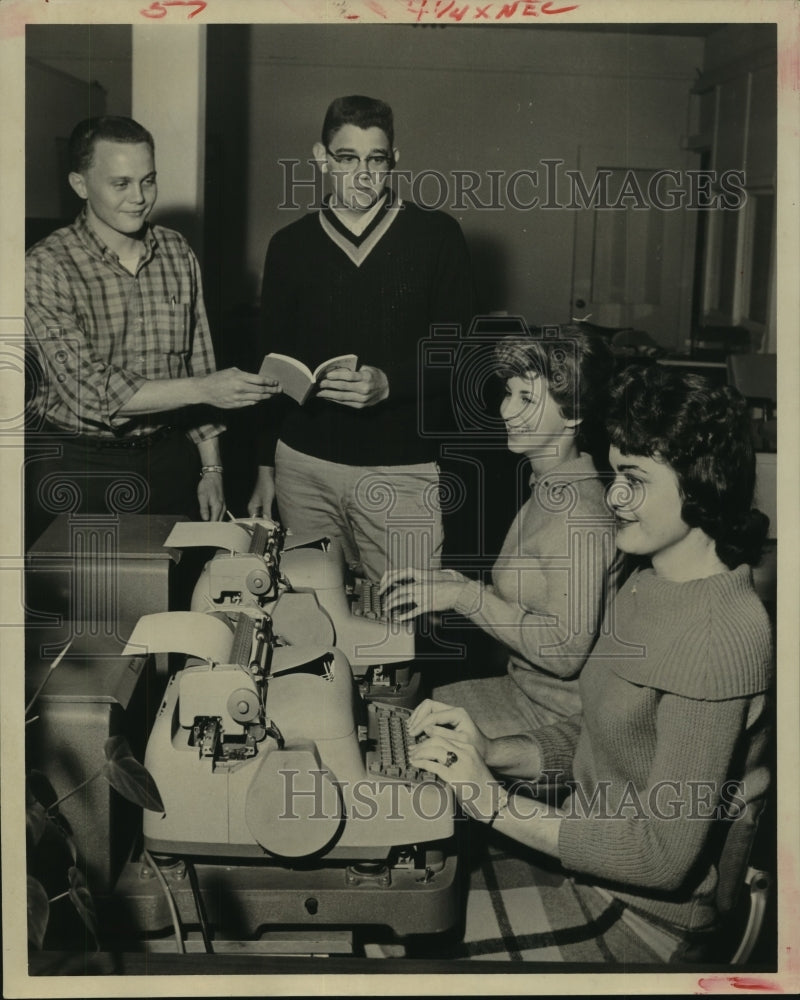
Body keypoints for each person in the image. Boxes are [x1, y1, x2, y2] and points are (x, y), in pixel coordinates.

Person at [405, 366, 774, 964]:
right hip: (592, 858)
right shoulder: (647, 582)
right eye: (612, 473)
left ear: (702, 484)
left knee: (416, 953)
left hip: (651, 917)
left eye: (634, 478)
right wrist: (498, 752)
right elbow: (605, 732)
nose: (613, 496)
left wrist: (492, 801)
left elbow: (662, 856)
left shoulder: (719, 636)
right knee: (405, 907)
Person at [247, 94, 475, 582]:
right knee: (313, 613)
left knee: (401, 622)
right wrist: (265, 466)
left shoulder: (437, 235)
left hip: (401, 469)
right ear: (321, 157)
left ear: (394, 161)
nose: (362, 175)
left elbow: (460, 353)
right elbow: (271, 368)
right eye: (346, 159)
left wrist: (390, 383)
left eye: (376, 160)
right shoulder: (289, 245)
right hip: (302, 466)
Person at [25, 115, 278, 547]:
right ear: (80, 184)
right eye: (121, 184)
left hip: (167, 461)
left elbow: (198, 358)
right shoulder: (44, 267)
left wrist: (211, 468)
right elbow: (91, 390)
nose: (139, 198)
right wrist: (204, 389)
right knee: (90, 608)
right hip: (78, 468)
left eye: (148, 180)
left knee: (173, 600)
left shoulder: (178, 251)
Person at [380, 326, 625, 734]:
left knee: (407, 724)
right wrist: (448, 585)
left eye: (527, 398)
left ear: (574, 413)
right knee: (408, 709)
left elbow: (565, 652)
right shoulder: (548, 487)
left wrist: (464, 595)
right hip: (527, 692)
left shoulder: (578, 516)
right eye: (509, 393)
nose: (507, 411)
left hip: (564, 719)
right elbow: (534, 599)